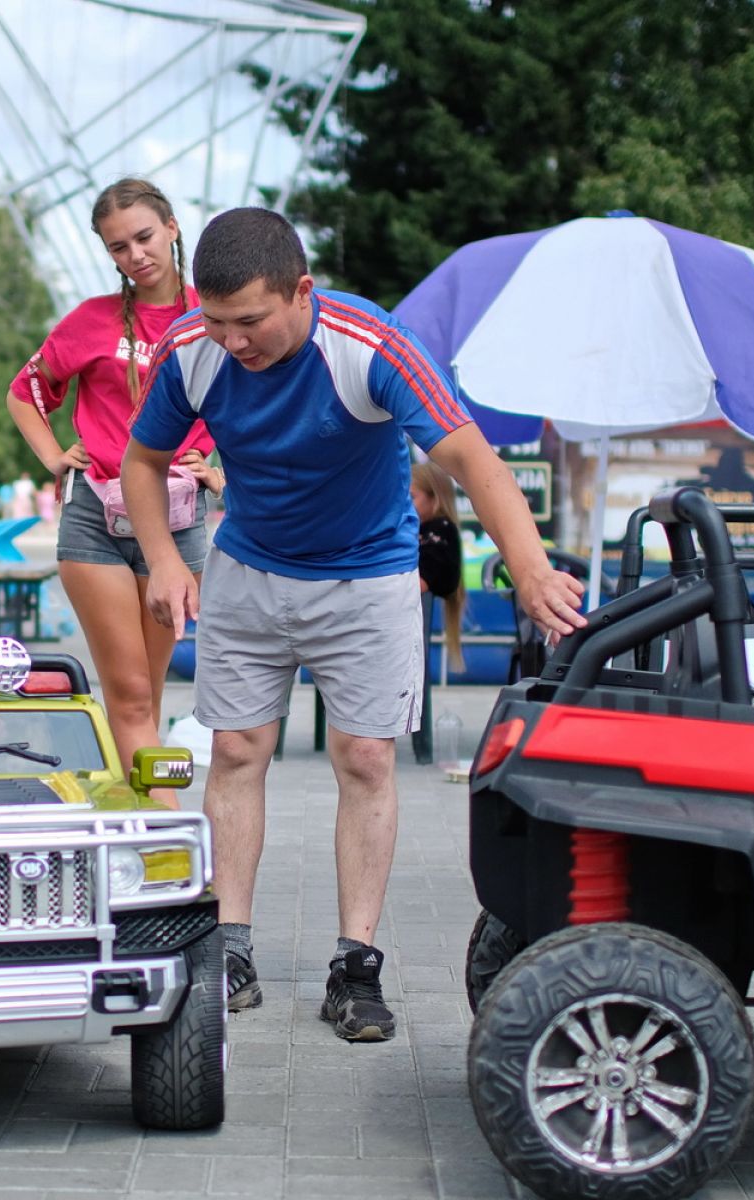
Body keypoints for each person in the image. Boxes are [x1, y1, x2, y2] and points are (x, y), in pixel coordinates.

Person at [121, 207, 585, 1041]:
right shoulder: (192, 347)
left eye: (252, 321)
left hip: (367, 578)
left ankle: (356, 965)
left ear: (301, 291)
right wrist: (160, 556)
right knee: (233, 751)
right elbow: (143, 460)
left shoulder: (370, 345)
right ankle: (228, 947)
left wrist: (529, 569)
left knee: (366, 757)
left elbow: (472, 460)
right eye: (219, 321)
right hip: (249, 571)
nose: (233, 341)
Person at [5, 177, 223, 809]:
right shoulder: (91, 320)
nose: (135, 256)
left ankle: (128, 821)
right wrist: (53, 455)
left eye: (144, 237)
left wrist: (218, 463)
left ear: (173, 228)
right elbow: (25, 392)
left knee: (148, 696)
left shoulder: (211, 317)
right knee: (128, 694)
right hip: (94, 520)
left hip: (177, 524)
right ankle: (167, 835)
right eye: (118, 247)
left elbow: (250, 403)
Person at [412, 461, 467, 677]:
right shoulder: (437, 532)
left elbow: (419, 584)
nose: (405, 504)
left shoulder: (438, 534)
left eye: (412, 497)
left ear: (434, 497)